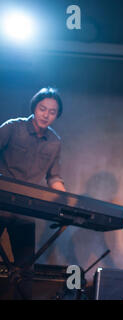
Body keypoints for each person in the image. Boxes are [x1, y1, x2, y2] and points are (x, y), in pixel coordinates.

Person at [0, 86, 66, 298]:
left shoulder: (55, 142)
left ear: (57, 115)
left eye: (52, 112)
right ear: (34, 108)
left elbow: (53, 177)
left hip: (26, 210)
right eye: (42, 109)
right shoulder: (12, 127)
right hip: (1, 203)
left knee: (25, 269)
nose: (46, 115)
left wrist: (67, 203)